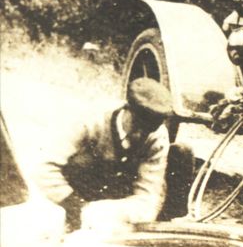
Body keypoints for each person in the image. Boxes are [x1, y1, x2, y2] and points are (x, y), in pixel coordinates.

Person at [34, 77, 195, 232]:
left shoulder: (157, 137)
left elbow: (148, 196)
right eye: (137, 126)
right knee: (81, 161)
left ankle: (162, 228)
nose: (140, 135)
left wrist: (116, 214)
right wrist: (74, 205)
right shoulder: (91, 119)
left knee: (181, 153)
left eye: (147, 130)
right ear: (126, 110)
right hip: (81, 191)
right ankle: (74, 221)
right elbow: (44, 168)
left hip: (117, 193)